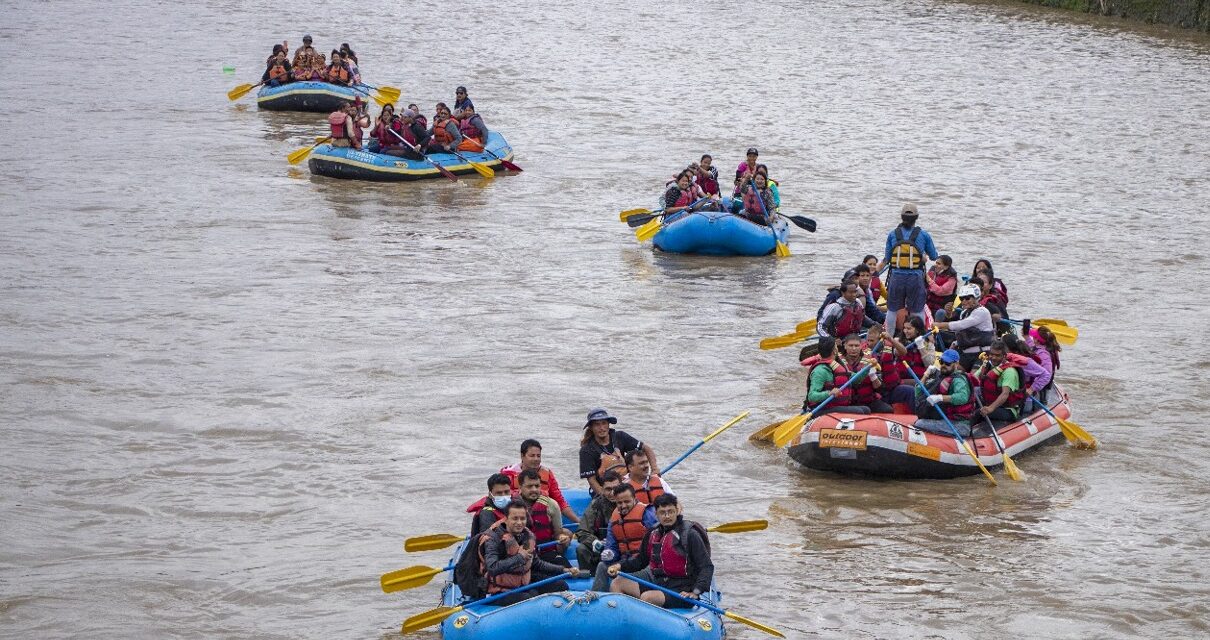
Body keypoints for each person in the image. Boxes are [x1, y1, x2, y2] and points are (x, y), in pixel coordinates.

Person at [608, 494, 714, 609]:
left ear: (677, 511)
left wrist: (695, 592)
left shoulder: (690, 535)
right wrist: (620, 566)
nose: (667, 516)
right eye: (663, 512)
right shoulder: (653, 533)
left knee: (648, 597)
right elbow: (640, 561)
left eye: (671, 511)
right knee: (617, 583)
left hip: (682, 590)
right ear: (656, 514)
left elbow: (706, 566)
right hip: (658, 583)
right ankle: (623, 619)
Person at [479, 499, 579, 606]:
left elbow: (536, 563)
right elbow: (492, 568)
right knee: (529, 597)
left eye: (522, 518)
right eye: (515, 518)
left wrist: (563, 570)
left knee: (560, 585)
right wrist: (519, 557)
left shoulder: (527, 535)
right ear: (506, 519)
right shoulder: (493, 539)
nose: (519, 522)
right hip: (499, 590)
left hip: (521, 584)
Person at [878, 203, 939, 336]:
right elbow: (934, 256)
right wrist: (922, 256)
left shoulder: (892, 234)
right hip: (915, 278)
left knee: (892, 310)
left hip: (896, 277)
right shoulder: (924, 235)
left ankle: (889, 338)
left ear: (901, 217)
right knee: (917, 310)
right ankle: (920, 338)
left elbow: (887, 258)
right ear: (916, 218)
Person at [592, 483, 656, 592]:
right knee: (602, 565)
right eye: (619, 503)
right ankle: (596, 596)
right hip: (623, 563)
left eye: (627, 501)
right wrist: (609, 554)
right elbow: (612, 546)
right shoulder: (614, 519)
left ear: (634, 499)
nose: (623, 506)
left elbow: (657, 543)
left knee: (621, 579)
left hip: (644, 564)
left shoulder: (648, 514)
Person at [579, 408, 657, 496]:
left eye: (604, 423)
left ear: (608, 424)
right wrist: (605, 496)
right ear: (591, 428)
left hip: (627, 487)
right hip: (604, 491)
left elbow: (646, 449)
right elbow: (591, 481)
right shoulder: (586, 450)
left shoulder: (620, 437)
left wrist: (655, 470)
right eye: (597, 425)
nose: (601, 428)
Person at [500, 439, 579, 524]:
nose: (536, 459)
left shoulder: (547, 474)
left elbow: (560, 501)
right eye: (532, 455)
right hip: (515, 519)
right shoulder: (508, 474)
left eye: (538, 456)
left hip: (541, 518)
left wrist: (578, 522)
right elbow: (500, 499)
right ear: (522, 456)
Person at [516, 469, 572, 569]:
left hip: (545, 552)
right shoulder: (511, 506)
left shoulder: (552, 505)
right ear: (520, 487)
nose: (534, 489)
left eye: (537, 486)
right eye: (529, 486)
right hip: (521, 555)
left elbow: (558, 534)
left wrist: (563, 540)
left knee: (565, 566)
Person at [913, 349, 977, 434]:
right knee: (919, 421)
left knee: (920, 424)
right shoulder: (939, 376)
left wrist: (940, 398)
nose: (943, 365)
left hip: (959, 424)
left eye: (947, 363)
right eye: (941, 362)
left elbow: (962, 397)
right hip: (943, 418)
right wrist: (926, 375)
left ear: (956, 364)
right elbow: (918, 392)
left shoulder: (958, 380)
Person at [801, 336, 869, 415]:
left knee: (866, 409)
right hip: (821, 409)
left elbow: (857, 380)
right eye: (836, 346)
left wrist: (868, 367)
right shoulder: (820, 370)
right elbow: (812, 396)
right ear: (834, 350)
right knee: (860, 412)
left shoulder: (839, 365)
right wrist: (829, 393)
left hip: (835, 406)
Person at [935, 283, 995, 372]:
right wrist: (955, 343)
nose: (964, 301)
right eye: (961, 298)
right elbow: (963, 331)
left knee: (973, 378)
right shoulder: (964, 313)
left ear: (976, 298)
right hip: (966, 354)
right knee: (951, 373)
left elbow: (962, 324)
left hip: (982, 354)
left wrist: (940, 325)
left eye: (967, 298)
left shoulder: (983, 312)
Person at [574, 471, 622, 579]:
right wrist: (595, 542)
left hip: (622, 548)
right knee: (581, 549)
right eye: (608, 489)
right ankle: (590, 578)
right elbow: (582, 531)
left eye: (616, 488)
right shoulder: (596, 505)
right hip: (600, 548)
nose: (612, 493)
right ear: (602, 489)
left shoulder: (629, 504)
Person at [972, 339, 1026, 423]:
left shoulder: (1009, 372)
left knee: (978, 413)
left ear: (1004, 356)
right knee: (971, 399)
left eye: (997, 355)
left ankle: (965, 431)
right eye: (992, 354)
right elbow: (973, 379)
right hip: (990, 401)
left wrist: (990, 408)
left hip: (1007, 409)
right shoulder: (987, 365)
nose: (993, 358)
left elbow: (1005, 394)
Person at [839, 333, 892, 413]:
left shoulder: (870, 360)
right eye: (851, 345)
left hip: (869, 401)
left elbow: (880, 389)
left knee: (888, 410)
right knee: (863, 411)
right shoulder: (838, 362)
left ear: (861, 346)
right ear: (845, 346)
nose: (854, 348)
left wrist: (872, 375)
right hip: (849, 403)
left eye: (856, 346)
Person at [469, 473, 513, 539]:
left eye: (506, 492)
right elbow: (488, 539)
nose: (503, 496)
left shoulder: (516, 506)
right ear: (490, 495)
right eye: (499, 493)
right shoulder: (486, 513)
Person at [1027, 326, 1061, 400]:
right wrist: (1027, 338)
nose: (1032, 338)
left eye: (1034, 337)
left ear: (1037, 340)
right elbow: (1033, 347)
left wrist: (1032, 388)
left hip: (1040, 388)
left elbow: (1047, 374)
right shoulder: (1043, 347)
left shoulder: (1043, 354)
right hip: (1039, 385)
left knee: (1039, 405)